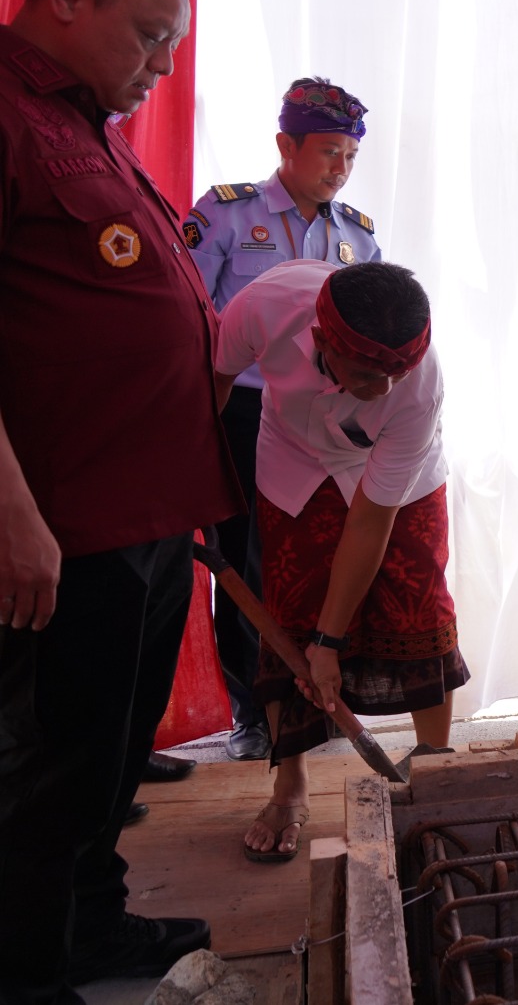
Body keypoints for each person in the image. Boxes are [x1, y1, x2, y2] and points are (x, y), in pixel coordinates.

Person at [0, 0, 242, 1000]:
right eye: (146, 36)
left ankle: (91, 926)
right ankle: (27, 970)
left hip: (141, 516)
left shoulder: (82, 126)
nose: (158, 67)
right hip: (61, 529)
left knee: (104, 764)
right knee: (42, 779)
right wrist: (11, 514)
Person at [214, 258, 465, 861]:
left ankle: (431, 771)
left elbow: (371, 520)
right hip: (294, 457)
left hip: (397, 475)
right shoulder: (262, 306)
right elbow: (214, 385)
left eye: (394, 374)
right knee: (289, 609)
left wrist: (329, 644)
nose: (381, 388)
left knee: (416, 602)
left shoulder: (420, 384)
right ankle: (290, 783)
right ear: (324, 340)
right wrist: (200, 483)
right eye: (363, 373)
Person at [186, 76, 380, 762]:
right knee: (246, 561)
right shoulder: (228, 215)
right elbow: (185, 315)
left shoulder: (357, 235)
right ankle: (254, 712)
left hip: (323, 423)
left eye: (350, 157)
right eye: (328, 151)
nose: (340, 168)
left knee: (323, 558)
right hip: (238, 412)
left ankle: (320, 699)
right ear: (285, 145)